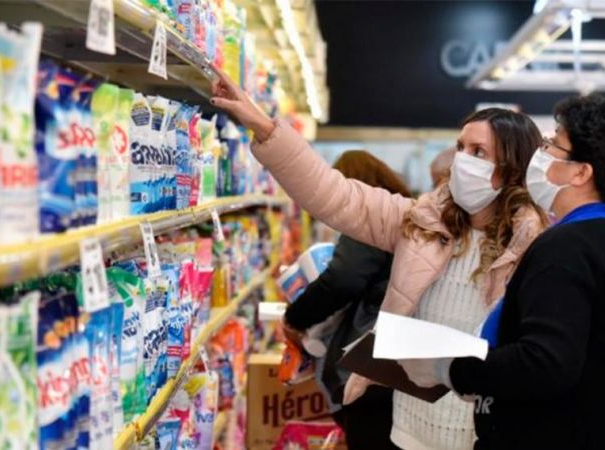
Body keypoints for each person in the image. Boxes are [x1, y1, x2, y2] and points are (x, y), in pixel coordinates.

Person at [210, 68, 546, 449]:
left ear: (512, 168)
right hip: (406, 429)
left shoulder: (537, 250)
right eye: (461, 148)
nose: (462, 161)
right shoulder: (419, 224)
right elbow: (333, 194)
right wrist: (264, 127)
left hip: (480, 434)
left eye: (478, 152)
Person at [400, 95, 605, 450]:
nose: (540, 154)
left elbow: (544, 363)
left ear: (581, 172)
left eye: (552, 144)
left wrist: (447, 368)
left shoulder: (568, 247)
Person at [282, 150, 410, 449]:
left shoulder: (369, 219)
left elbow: (343, 279)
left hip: (371, 361)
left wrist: (296, 317)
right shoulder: (405, 214)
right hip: (398, 360)